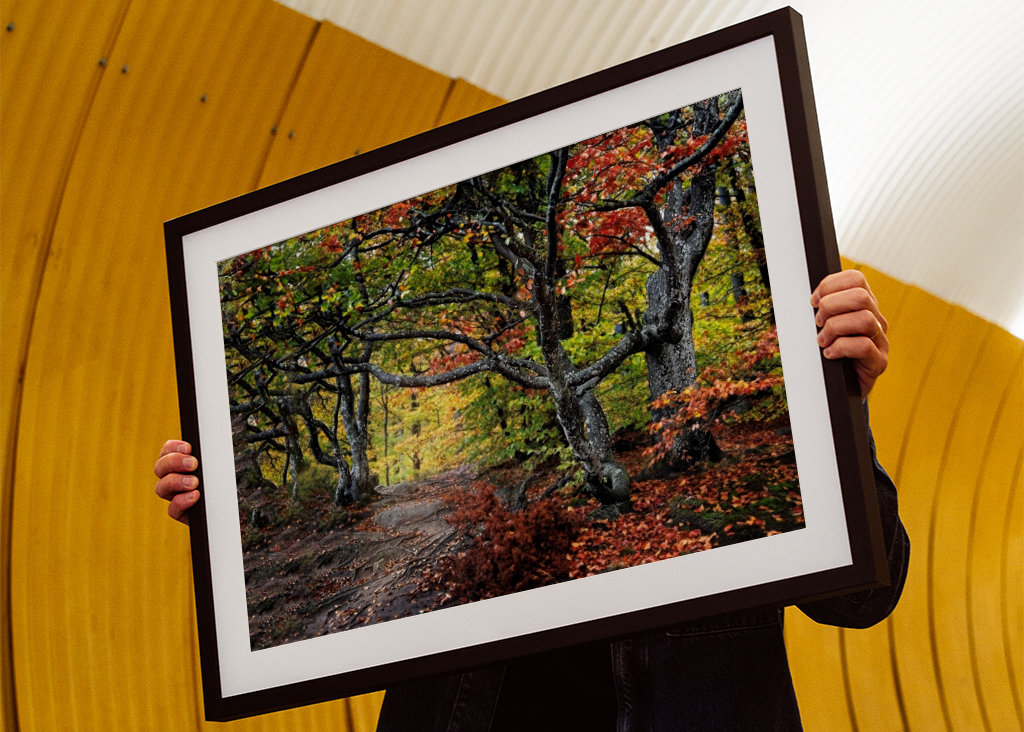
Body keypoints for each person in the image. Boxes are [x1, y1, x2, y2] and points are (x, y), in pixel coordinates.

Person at [155, 270, 909, 731]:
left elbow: (865, 597)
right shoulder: (502, 463)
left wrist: (839, 406)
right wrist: (233, 525)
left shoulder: (771, 390)